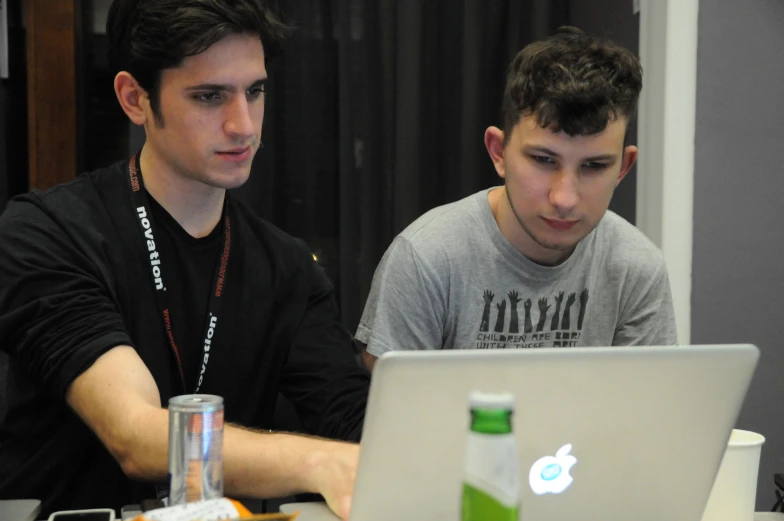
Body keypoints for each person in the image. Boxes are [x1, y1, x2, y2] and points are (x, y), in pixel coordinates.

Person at [0, 1, 368, 519]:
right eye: (210, 96)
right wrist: (321, 462)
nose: (243, 125)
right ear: (135, 98)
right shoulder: (48, 232)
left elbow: (354, 420)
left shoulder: (287, 269)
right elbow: (136, 436)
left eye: (255, 91)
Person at [357, 27, 677, 371]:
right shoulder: (426, 258)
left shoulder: (637, 267)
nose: (565, 198)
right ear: (499, 152)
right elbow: (399, 415)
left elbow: (647, 415)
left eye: (594, 166)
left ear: (623, 168)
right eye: (543, 160)